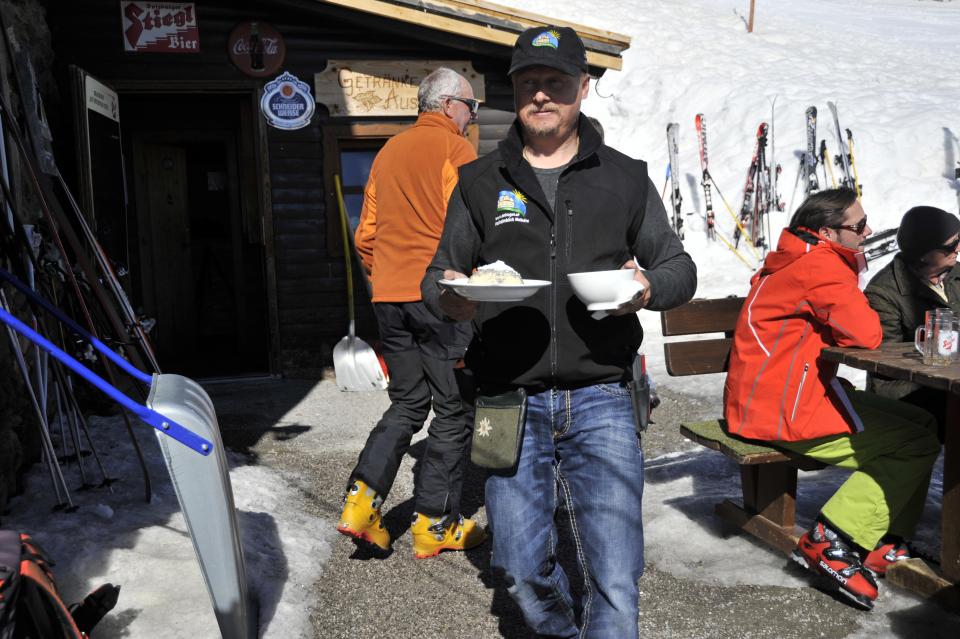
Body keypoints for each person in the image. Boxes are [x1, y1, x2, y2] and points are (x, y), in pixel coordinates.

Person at [422, 26, 696, 638]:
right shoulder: (479, 180)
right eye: (528, 83)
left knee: (616, 573)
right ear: (513, 91)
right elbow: (437, 277)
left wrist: (647, 287)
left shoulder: (625, 177)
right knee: (517, 566)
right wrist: (452, 297)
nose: (541, 95)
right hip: (505, 394)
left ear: (583, 88)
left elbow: (681, 269)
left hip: (602, 395)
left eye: (556, 82)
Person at [723, 187, 941, 610]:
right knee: (916, 444)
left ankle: (882, 537)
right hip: (780, 411)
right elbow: (866, 334)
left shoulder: (801, 256)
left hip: (768, 398)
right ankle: (832, 538)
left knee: (923, 424)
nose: (868, 231)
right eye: (858, 227)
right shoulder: (820, 266)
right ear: (827, 231)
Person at [337, 67, 486, 559]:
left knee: (406, 404)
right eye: (470, 107)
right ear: (448, 106)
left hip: (389, 297)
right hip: (440, 297)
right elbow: (471, 228)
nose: (472, 117)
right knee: (452, 408)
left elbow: (367, 235)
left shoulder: (389, 151)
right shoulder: (455, 150)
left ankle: (361, 503)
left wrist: (385, 276)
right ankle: (434, 525)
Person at [864, 205, 960, 433]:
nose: (957, 249)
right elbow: (889, 364)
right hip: (909, 392)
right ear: (924, 254)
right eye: (950, 246)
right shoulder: (884, 293)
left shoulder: (955, 274)